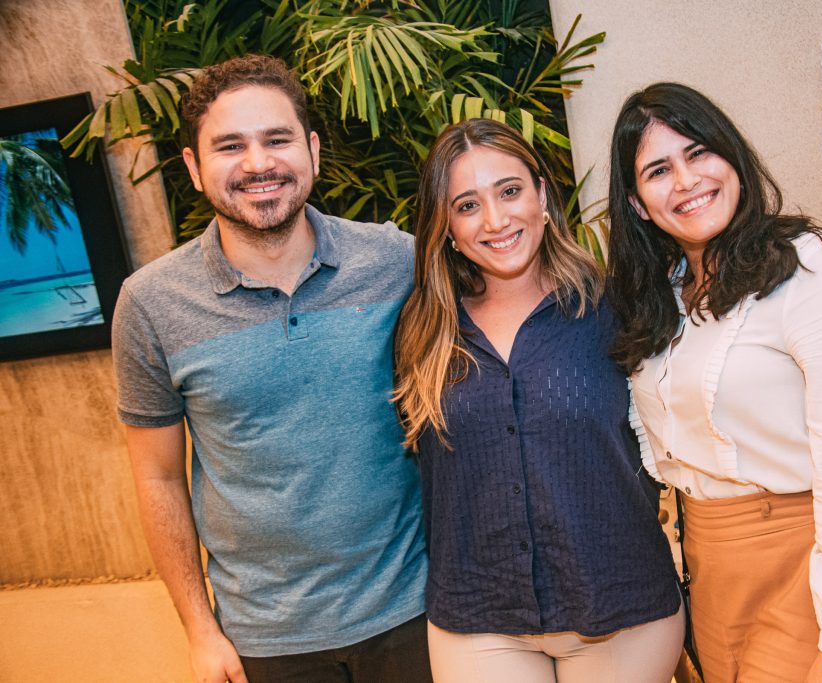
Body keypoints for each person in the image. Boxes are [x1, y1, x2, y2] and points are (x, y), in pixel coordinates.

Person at [112, 54, 430, 683]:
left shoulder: (395, 261)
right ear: (193, 168)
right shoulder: (149, 303)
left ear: (311, 150)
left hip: (416, 610)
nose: (259, 163)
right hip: (266, 637)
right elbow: (158, 481)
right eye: (230, 145)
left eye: (277, 139)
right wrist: (201, 632)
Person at [605, 82, 822, 683]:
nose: (686, 180)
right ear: (638, 203)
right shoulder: (658, 300)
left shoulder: (815, 270)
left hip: (815, 565)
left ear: (733, 157)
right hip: (710, 574)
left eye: (699, 152)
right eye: (658, 169)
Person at [392, 118, 684, 683]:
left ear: (543, 194)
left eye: (510, 191)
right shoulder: (421, 328)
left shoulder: (615, 307)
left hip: (622, 612)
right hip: (480, 622)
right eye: (467, 205)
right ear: (445, 225)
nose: (497, 220)